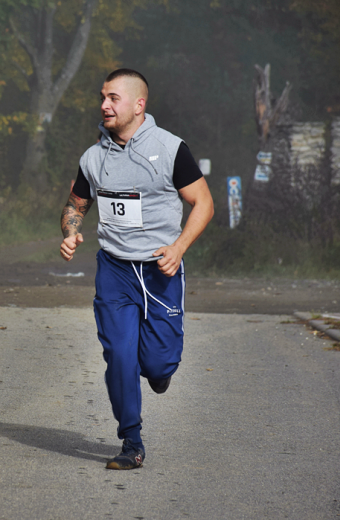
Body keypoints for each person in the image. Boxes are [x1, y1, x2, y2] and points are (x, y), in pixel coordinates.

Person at [59, 69, 214, 470]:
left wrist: (179, 248)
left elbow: (204, 203)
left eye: (113, 98)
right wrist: (72, 232)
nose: (104, 105)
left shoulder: (170, 148)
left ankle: (159, 372)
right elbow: (76, 205)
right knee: (119, 355)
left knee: (157, 364)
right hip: (114, 270)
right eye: (102, 98)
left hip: (160, 269)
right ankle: (131, 439)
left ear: (139, 104)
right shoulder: (93, 157)